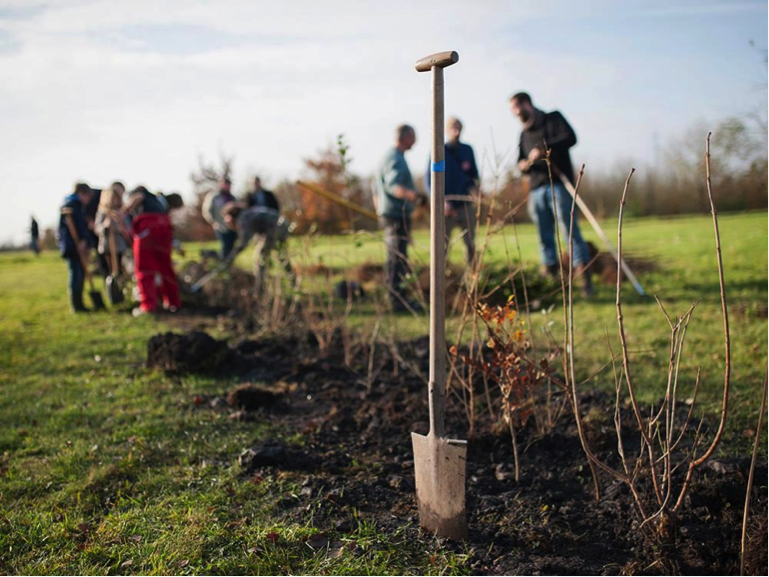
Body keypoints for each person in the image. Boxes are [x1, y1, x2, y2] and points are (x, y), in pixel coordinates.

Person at [510, 92, 593, 296]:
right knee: (544, 235)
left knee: (569, 231)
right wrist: (523, 165)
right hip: (536, 189)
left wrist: (544, 148)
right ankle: (551, 277)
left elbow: (570, 138)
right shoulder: (523, 134)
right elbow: (520, 161)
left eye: (517, 107)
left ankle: (583, 278)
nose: (516, 112)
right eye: (513, 110)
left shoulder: (553, 118)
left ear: (527, 104)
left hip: (558, 185)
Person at [375, 124, 423, 312]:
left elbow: (375, 189)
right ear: (405, 137)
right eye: (413, 137)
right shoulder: (395, 158)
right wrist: (414, 196)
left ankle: (399, 298)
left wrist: (379, 209)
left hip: (390, 214)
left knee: (397, 257)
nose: (415, 142)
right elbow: (393, 186)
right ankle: (397, 301)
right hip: (395, 215)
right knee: (397, 258)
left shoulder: (391, 156)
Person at [425, 116, 480, 267]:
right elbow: (430, 180)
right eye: (453, 128)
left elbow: (474, 176)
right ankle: (441, 277)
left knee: (470, 243)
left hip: (465, 205)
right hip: (445, 207)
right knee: (441, 245)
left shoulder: (467, 150)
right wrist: (441, 202)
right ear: (446, 130)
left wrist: (476, 192)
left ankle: (472, 277)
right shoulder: (439, 150)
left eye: (459, 128)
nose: (456, 131)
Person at [124, 187, 184, 316]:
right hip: (164, 229)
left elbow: (138, 197)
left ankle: (148, 305)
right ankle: (173, 302)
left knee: (145, 270)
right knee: (166, 269)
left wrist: (126, 209)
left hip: (148, 229)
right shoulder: (159, 204)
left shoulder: (143, 194)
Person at [220, 202, 293, 297]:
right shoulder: (249, 213)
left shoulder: (243, 218)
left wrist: (230, 258)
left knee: (260, 259)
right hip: (283, 227)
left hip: (274, 229)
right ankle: (293, 282)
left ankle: (259, 290)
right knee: (282, 257)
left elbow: (243, 243)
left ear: (230, 216)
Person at [58, 183, 94, 312]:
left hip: (78, 245)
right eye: (87, 197)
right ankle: (76, 305)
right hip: (72, 246)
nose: (87, 200)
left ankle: (80, 304)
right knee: (76, 274)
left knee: (80, 274)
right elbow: (76, 226)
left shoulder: (77, 205)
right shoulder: (72, 204)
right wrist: (82, 240)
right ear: (81, 193)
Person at [94, 182, 131, 277]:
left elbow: (128, 229)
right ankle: (110, 288)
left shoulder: (122, 212)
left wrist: (119, 227)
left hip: (119, 247)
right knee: (108, 272)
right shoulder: (102, 212)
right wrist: (105, 226)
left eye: (116, 198)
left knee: (120, 271)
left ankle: (119, 288)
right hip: (106, 247)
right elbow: (97, 228)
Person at [203, 177, 237, 259]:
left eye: (229, 185)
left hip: (232, 227)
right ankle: (222, 264)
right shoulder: (214, 197)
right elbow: (207, 211)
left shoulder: (233, 198)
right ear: (221, 185)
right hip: (221, 226)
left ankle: (229, 265)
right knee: (225, 246)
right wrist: (213, 222)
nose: (227, 186)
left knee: (231, 247)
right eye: (225, 184)